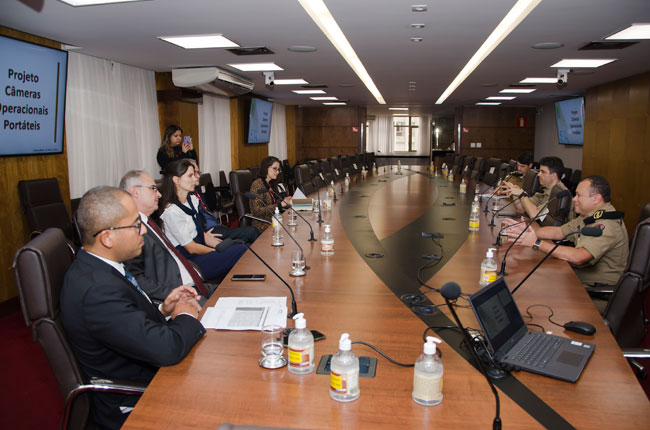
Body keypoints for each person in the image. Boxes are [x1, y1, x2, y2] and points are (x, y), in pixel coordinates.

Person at [60, 186, 205, 429]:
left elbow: (126, 320)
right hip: (135, 399)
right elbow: (166, 349)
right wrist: (186, 316)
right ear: (107, 237)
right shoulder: (97, 291)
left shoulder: (102, 266)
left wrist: (164, 310)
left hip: (150, 371)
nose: (144, 231)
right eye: (136, 224)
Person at [503, 176, 628, 312]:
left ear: (596, 199)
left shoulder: (606, 224)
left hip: (594, 295)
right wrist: (528, 231)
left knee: (536, 299)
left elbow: (579, 257)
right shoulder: (588, 216)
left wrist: (536, 243)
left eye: (579, 195)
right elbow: (558, 232)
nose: (574, 199)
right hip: (576, 280)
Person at [120, 170, 218, 305]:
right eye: (153, 189)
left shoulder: (150, 222)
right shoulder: (129, 230)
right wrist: (176, 295)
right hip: (179, 295)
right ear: (135, 192)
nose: (159, 194)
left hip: (195, 284)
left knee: (238, 292)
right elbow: (137, 278)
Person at [155, 159, 247, 281]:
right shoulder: (172, 212)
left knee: (240, 244)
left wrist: (222, 245)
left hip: (200, 250)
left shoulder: (192, 200)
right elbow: (191, 247)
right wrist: (216, 251)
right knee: (241, 251)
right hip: (190, 261)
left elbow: (199, 233)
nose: (195, 179)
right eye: (190, 176)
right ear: (176, 180)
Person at [188, 159, 258, 243]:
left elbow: (206, 210)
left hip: (215, 226)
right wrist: (203, 234)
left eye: (198, 172)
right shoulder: (185, 198)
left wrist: (215, 222)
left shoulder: (197, 190)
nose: (198, 176)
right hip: (208, 232)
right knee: (251, 232)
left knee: (248, 243)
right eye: (193, 173)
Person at [502, 156, 572, 223]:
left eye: (543, 172)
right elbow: (522, 209)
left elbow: (534, 215)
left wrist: (522, 194)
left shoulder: (560, 194)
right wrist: (515, 194)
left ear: (553, 176)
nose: (538, 174)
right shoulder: (545, 189)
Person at [249, 156, 292, 233]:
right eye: (275, 168)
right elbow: (257, 211)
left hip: (275, 219)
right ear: (266, 168)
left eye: (278, 169)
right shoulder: (257, 185)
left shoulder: (271, 183)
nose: (278, 172)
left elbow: (274, 202)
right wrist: (280, 204)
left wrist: (285, 201)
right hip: (263, 223)